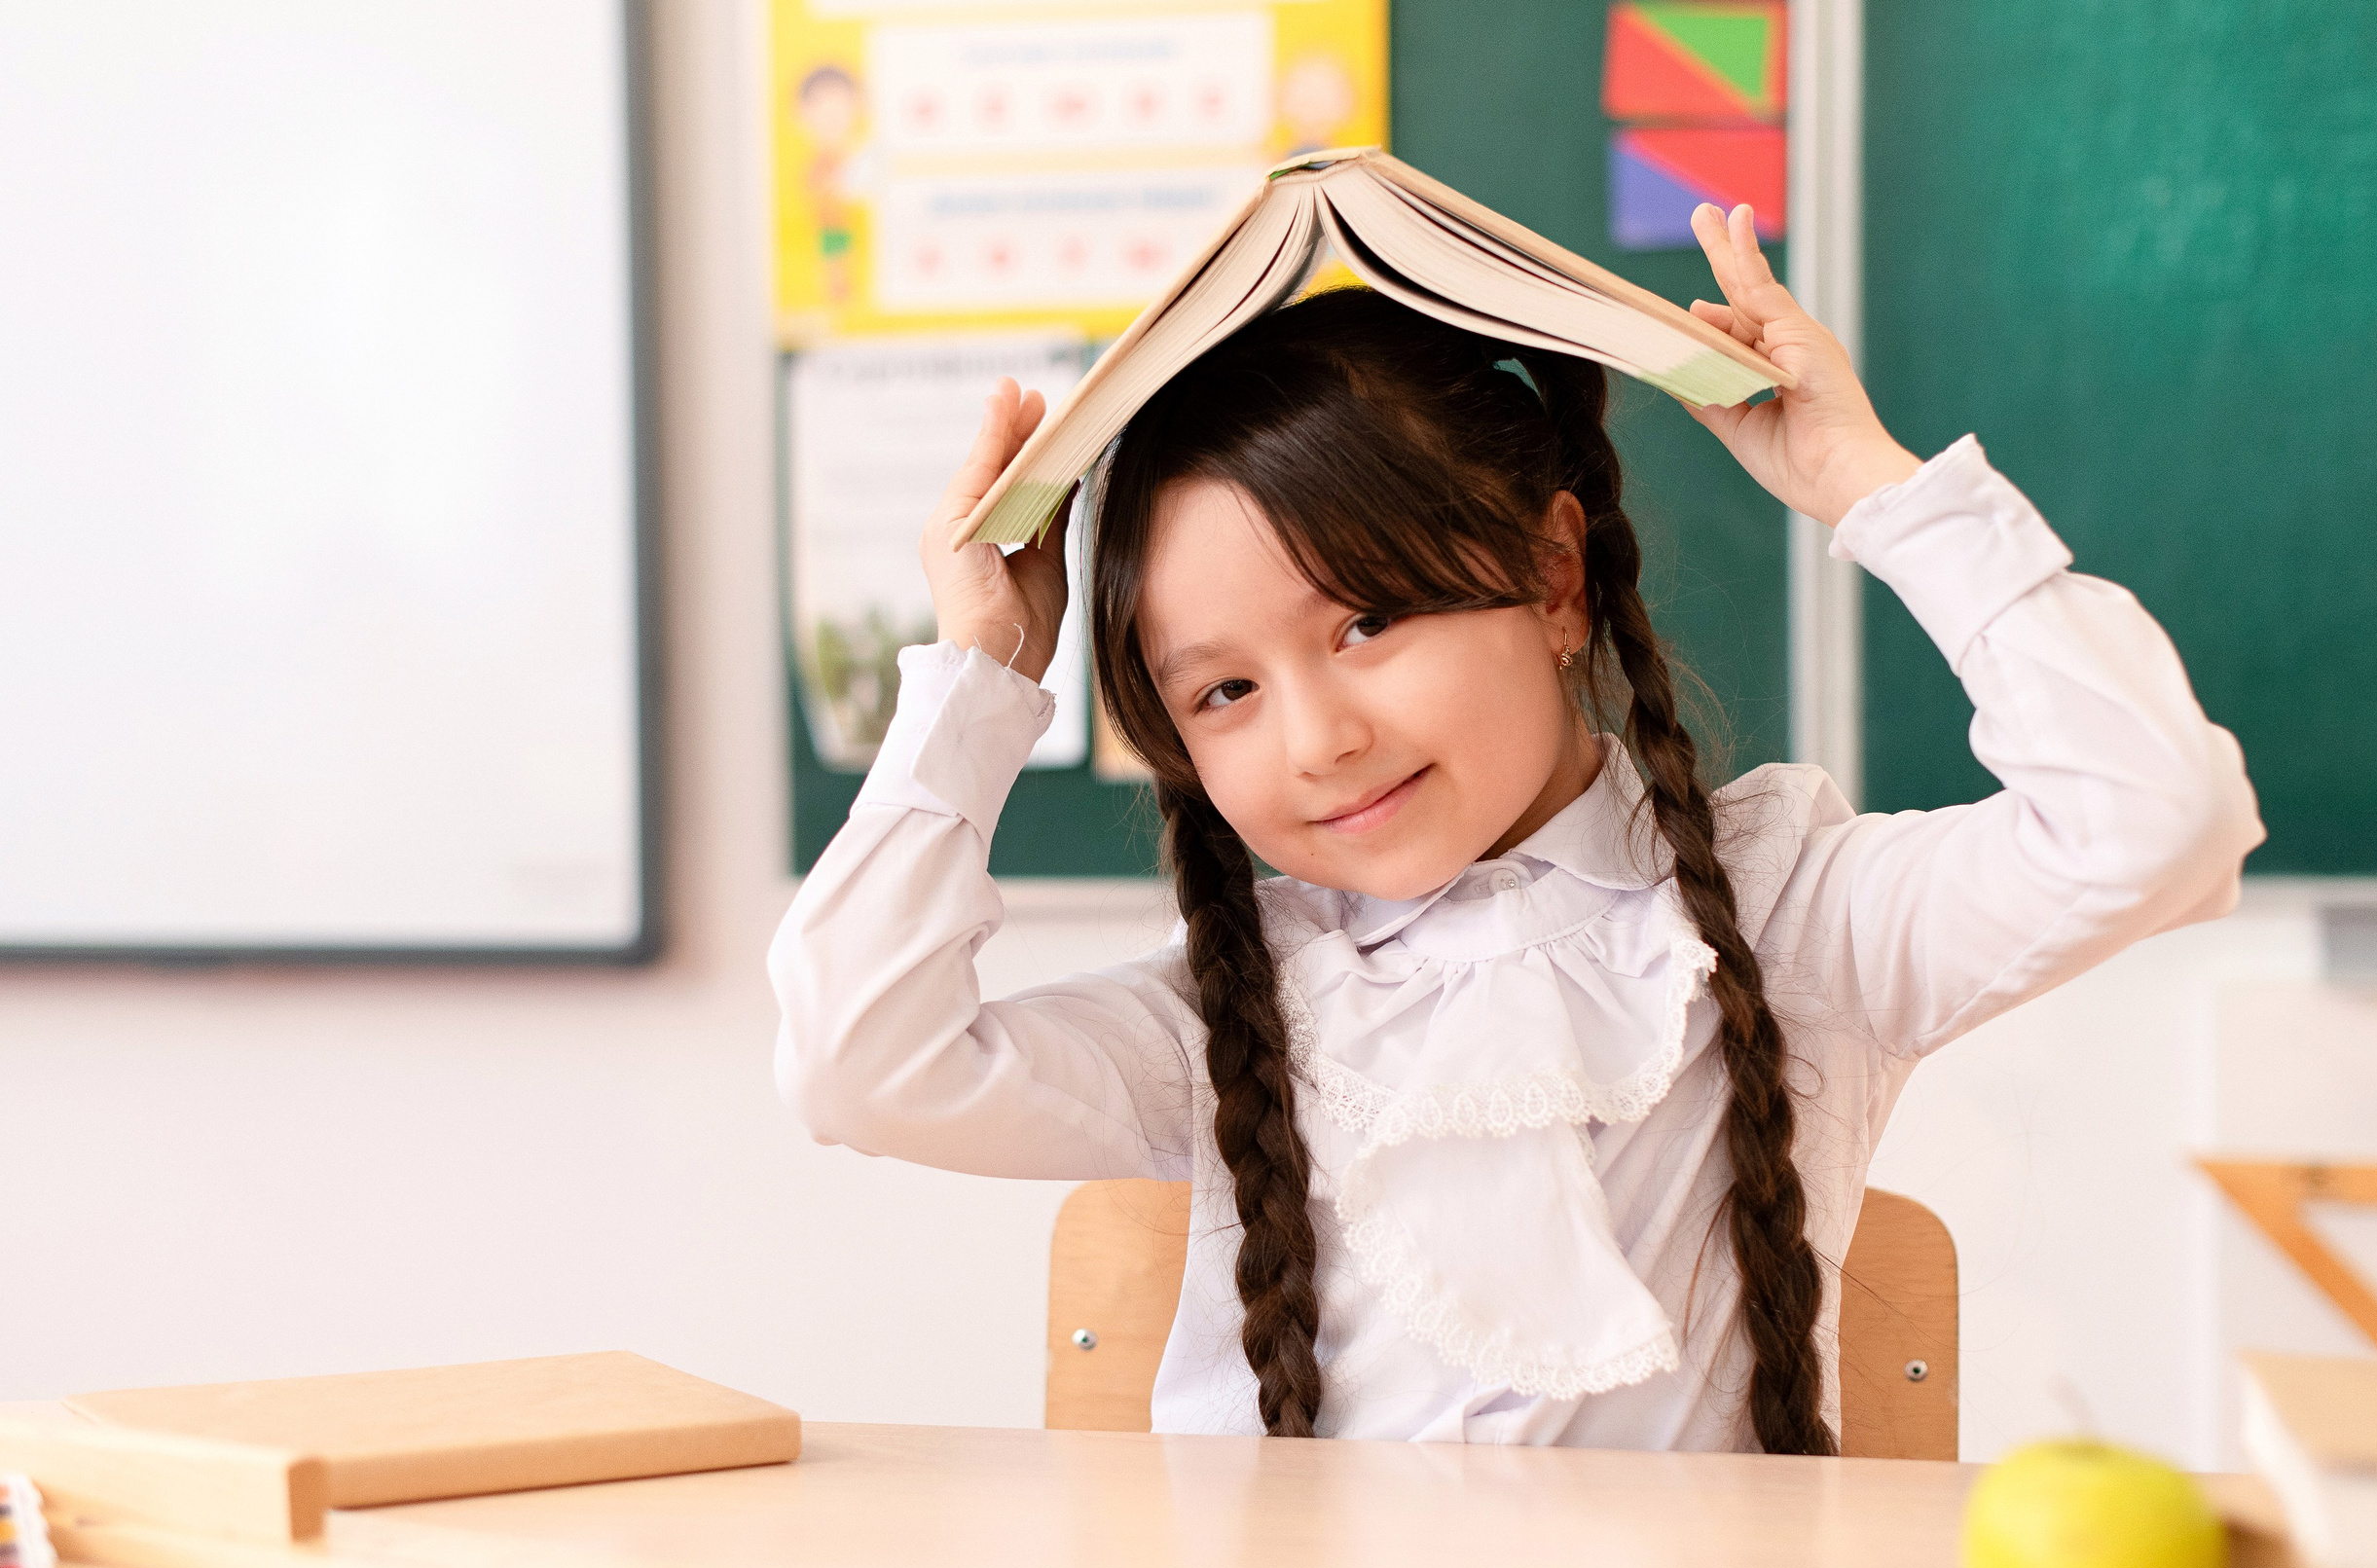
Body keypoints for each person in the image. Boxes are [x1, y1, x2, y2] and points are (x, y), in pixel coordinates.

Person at [769, 203, 2263, 1453]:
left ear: (1554, 578)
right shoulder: (1236, 1005)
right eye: (1222, 688)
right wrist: (975, 683)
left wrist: (1871, 488)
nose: (1317, 737)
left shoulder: (1794, 916)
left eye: (1368, 617)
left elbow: (2156, 815)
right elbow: (863, 1064)